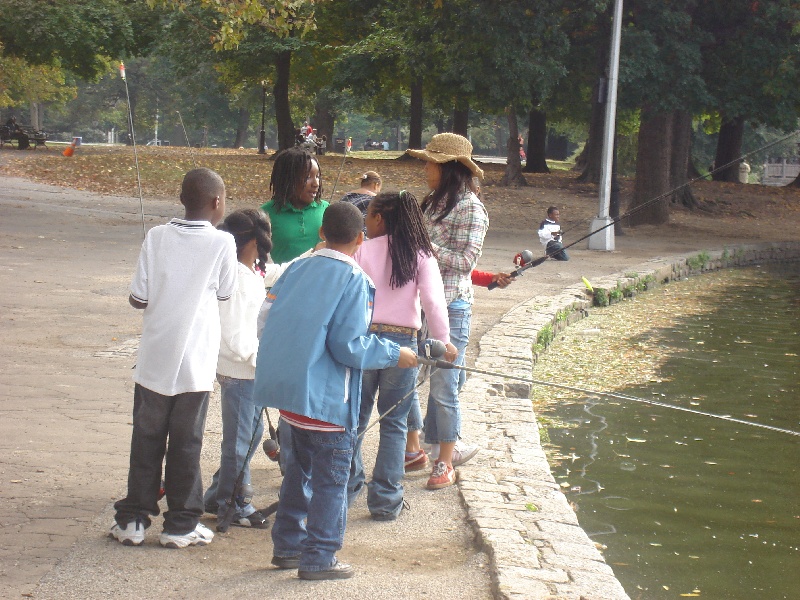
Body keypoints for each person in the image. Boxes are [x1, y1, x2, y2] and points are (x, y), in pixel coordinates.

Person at [254, 202, 418, 580]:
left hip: (292, 401)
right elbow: (350, 346)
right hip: (329, 404)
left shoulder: (295, 268)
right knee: (331, 481)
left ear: (321, 233)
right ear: (360, 240)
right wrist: (397, 354)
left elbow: (264, 319)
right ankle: (320, 557)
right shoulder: (355, 280)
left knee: (297, 474)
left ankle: (287, 547)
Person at [111, 168, 238, 548]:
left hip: (154, 359)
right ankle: (181, 524)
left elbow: (138, 298)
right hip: (195, 365)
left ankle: (134, 519)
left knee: (146, 438)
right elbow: (225, 295)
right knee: (187, 442)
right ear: (217, 202)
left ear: (183, 199)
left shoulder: (156, 236)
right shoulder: (222, 243)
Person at [348, 191, 457, 519]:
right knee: (394, 422)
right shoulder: (421, 253)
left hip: (364, 340)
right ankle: (386, 500)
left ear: (380, 218)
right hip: (404, 344)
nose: (365, 222)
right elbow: (434, 303)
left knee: (354, 416)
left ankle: (346, 488)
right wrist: (444, 341)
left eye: (368, 216)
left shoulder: (361, 249)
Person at [406, 132, 489, 490]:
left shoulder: (472, 207)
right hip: (420, 303)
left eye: (431, 162)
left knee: (444, 386)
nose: (425, 168)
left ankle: (444, 462)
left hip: (453, 306)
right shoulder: (431, 202)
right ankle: (425, 447)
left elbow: (466, 261)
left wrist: (426, 246)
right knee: (411, 378)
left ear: (449, 168)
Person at [202, 209, 274, 529]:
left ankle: (219, 492)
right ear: (255, 242)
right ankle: (234, 503)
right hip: (241, 370)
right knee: (239, 442)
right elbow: (233, 335)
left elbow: (275, 273)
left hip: (248, 370)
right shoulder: (237, 279)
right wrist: (261, 360)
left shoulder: (248, 273)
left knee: (250, 434)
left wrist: (310, 255)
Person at [261, 148, 328, 264]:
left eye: (317, 176)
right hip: (282, 280)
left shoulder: (326, 210)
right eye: (308, 177)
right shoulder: (265, 214)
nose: (316, 183)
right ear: (287, 179)